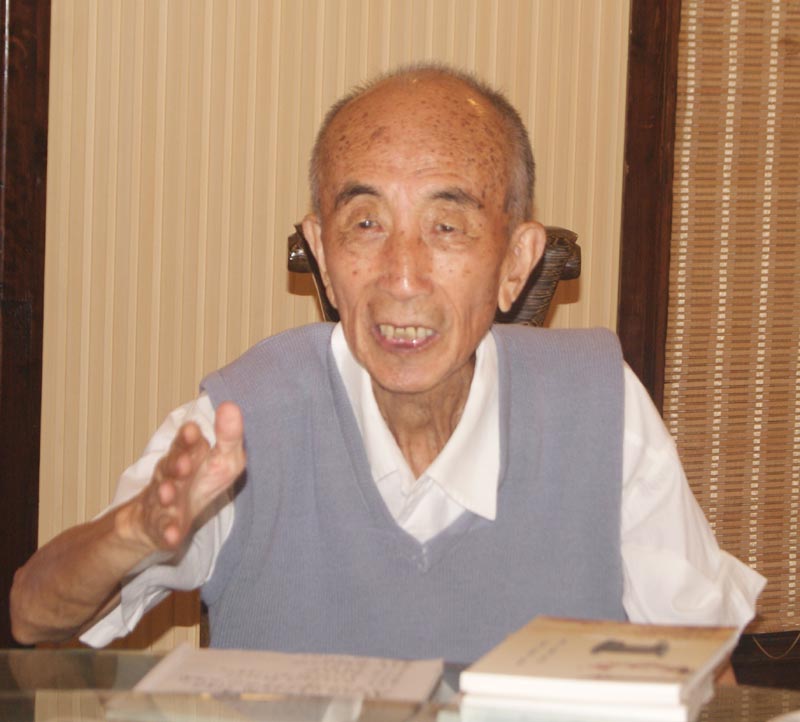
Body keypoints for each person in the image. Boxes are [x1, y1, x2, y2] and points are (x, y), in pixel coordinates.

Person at [10, 64, 764, 664]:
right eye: (365, 223)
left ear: (516, 262)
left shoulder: (599, 408)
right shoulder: (248, 419)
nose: (402, 275)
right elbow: (32, 615)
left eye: (447, 225)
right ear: (323, 254)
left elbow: (705, 669)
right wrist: (134, 531)